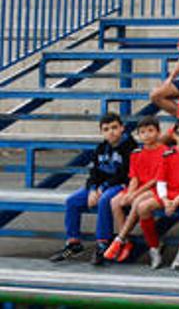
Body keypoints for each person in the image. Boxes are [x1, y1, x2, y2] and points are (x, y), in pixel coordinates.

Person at [51, 113, 135, 266]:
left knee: (104, 200)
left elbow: (125, 174)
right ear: (102, 132)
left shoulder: (130, 147)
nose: (111, 132)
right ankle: (73, 242)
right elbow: (94, 172)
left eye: (115, 127)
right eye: (106, 129)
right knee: (72, 201)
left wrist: (101, 189)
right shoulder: (101, 148)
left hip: (122, 185)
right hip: (101, 186)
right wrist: (92, 189)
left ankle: (103, 242)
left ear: (122, 128)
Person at [128, 118, 179, 269]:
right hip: (169, 193)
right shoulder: (168, 154)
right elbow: (161, 181)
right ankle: (155, 248)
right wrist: (165, 200)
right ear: (174, 136)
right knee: (143, 207)